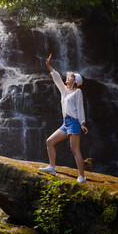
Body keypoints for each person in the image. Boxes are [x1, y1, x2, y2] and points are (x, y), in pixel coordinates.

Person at [39, 54, 89, 183]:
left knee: (74, 149)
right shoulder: (64, 91)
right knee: (49, 142)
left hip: (74, 122)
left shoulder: (78, 92)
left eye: (70, 77)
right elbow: (56, 78)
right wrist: (49, 65)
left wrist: (82, 123)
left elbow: (80, 107)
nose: (67, 78)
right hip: (65, 123)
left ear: (76, 81)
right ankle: (52, 167)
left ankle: (82, 176)